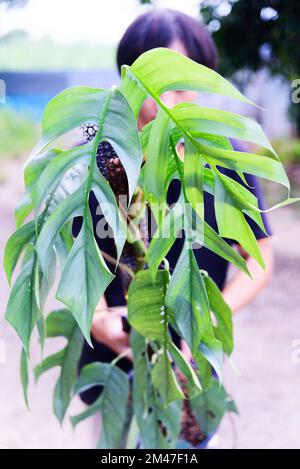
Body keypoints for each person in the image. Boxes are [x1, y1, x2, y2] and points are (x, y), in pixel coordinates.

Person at [73, 8, 274, 406]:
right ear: (129, 76)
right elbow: (77, 252)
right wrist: (97, 320)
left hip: (191, 360)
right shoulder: (98, 155)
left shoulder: (223, 153)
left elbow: (259, 254)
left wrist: (211, 321)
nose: (168, 97)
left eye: (183, 81)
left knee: (189, 433)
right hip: (116, 353)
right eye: (156, 80)